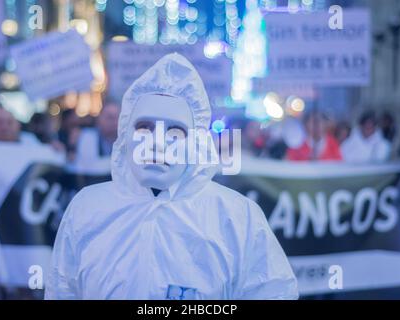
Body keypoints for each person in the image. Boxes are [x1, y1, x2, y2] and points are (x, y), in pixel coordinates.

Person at [45, 53, 298, 300]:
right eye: (144, 127)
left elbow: (272, 290)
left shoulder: (237, 217)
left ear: (196, 142)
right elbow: (62, 288)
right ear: (125, 135)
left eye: (175, 132)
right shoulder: (87, 208)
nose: (156, 143)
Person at [74, 101, 119, 168]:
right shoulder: (88, 136)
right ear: (99, 119)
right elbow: (88, 165)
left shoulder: (128, 139)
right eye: (110, 117)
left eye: (118, 117)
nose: (115, 122)